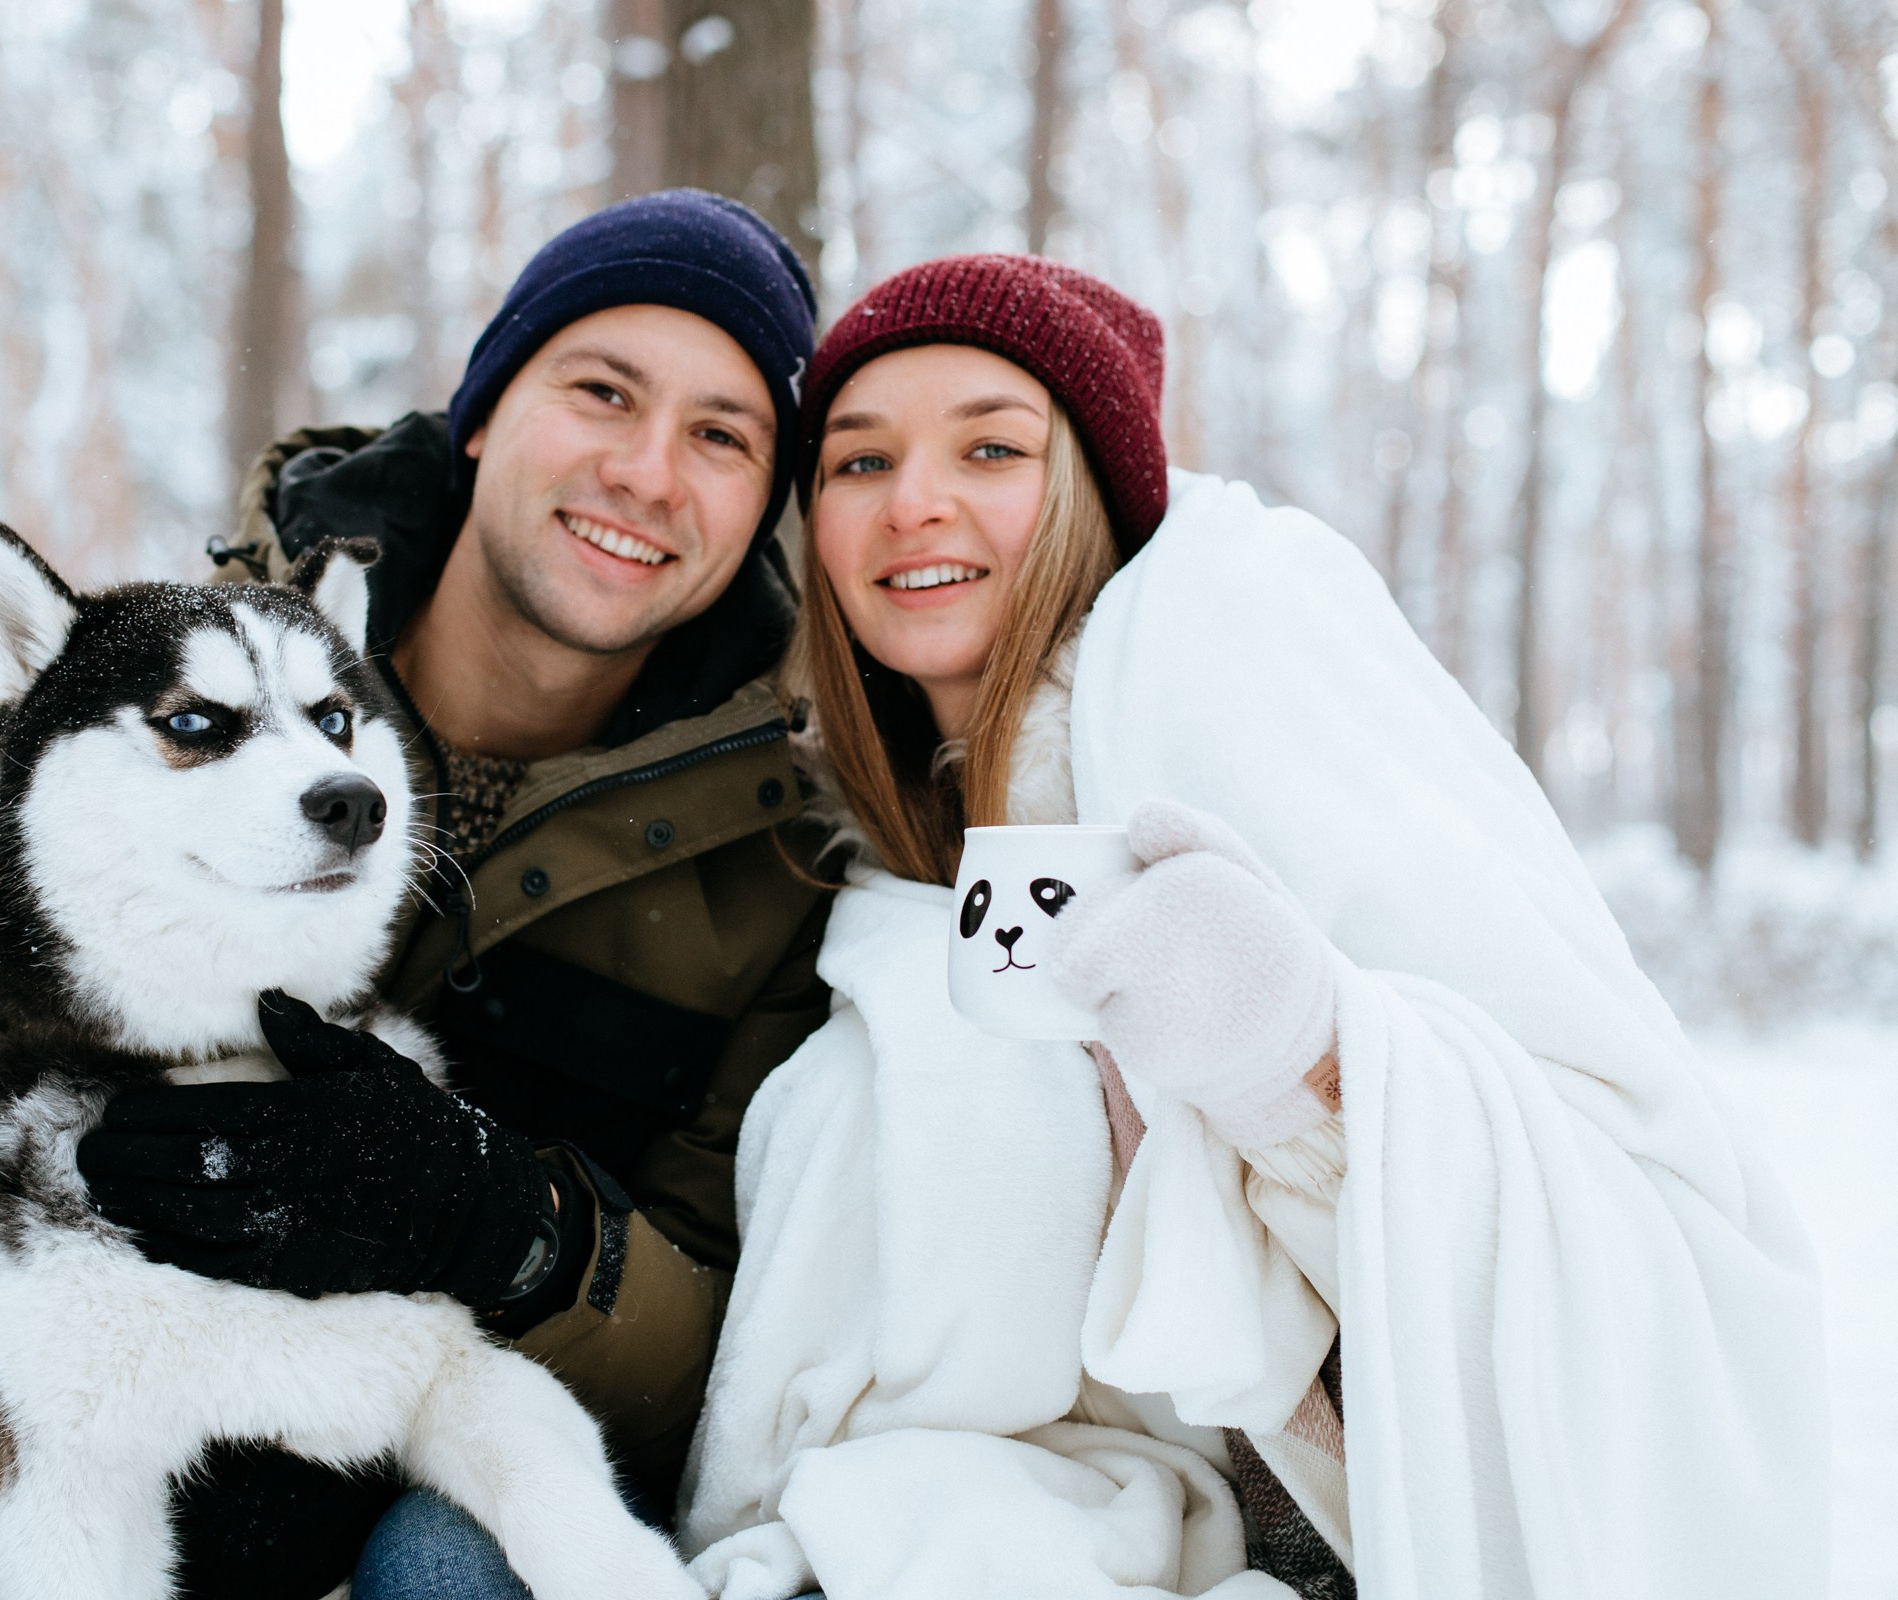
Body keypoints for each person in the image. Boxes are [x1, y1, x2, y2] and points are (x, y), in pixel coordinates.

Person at [0, 190, 834, 1600]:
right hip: (56, 1384)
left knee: (461, 1568)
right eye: (601, 390)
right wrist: (59, 1394)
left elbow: (736, 1337)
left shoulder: (781, 843)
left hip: (447, 1416)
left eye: (722, 435)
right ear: (487, 411)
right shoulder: (116, 715)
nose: (646, 470)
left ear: (763, 500)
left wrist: (523, 1233)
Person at [680, 256, 1825, 1599]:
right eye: (859, 464)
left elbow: (1618, 1174)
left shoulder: (1236, 683)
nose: (913, 502)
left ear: (1090, 495)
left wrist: (1306, 1064)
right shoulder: (855, 873)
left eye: (992, 447)